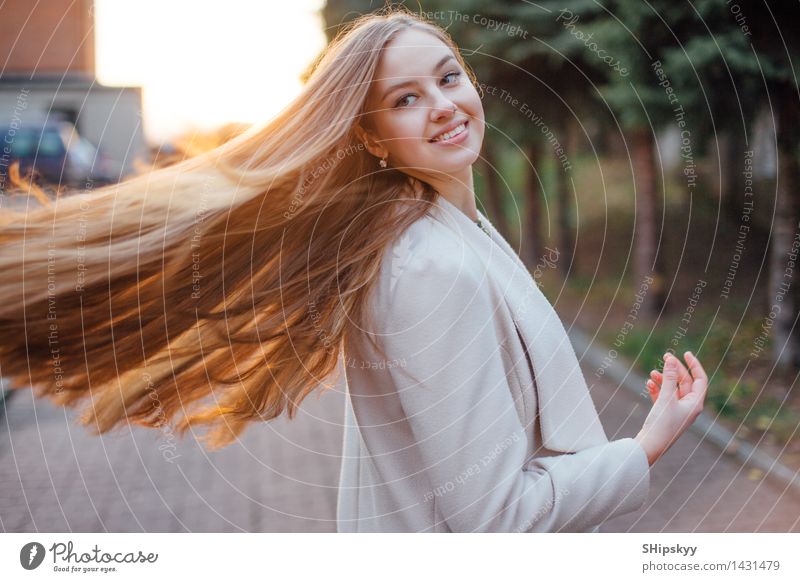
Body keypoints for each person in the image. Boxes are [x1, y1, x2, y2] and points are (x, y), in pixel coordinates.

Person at [0, 7, 707, 533]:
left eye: (448, 76)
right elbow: (495, 518)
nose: (443, 105)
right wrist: (647, 444)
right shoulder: (429, 265)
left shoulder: (436, 230)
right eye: (405, 99)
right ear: (368, 135)